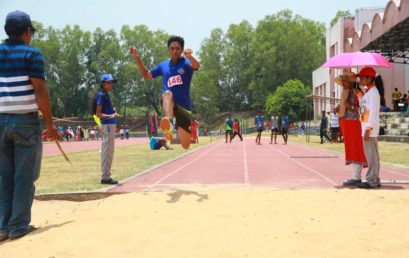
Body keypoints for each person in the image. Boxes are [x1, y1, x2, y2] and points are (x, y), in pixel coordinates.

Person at [0, 10, 57, 241]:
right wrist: (50, 124)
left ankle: (3, 227)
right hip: (25, 120)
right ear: (26, 32)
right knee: (25, 176)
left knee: (4, 176)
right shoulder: (32, 54)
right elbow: (40, 90)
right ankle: (18, 226)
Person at [130, 36, 200, 149]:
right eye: (172, 48)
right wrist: (137, 58)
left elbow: (197, 66)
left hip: (184, 106)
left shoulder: (186, 63)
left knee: (186, 145)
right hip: (169, 102)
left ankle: (164, 139)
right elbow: (146, 75)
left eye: (177, 48)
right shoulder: (163, 65)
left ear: (182, 50)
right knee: (167, 93)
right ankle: (170, 123)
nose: (175, 51)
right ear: (168, 50)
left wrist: (190, 57)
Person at [334, 72, 368, 187]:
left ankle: (357, 177)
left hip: (354, 123)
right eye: (342, 80)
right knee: (350, 148)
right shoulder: (345, 92)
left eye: (345, 80)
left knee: (356, 147)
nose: (343, 83)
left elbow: (362, 109)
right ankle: (355, 176)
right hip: (346, 122)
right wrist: (340, 109)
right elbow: (345, 106)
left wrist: (351, 106)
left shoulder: (357, 92)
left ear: (351, 82)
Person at [356, 67, 383, 189]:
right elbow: (365, 109)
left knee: (371, 156)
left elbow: (372, 113)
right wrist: (360, 95)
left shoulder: (373, 93)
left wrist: (368, 130)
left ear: (369, 79)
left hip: (369, 129)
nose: (360, 80)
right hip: (368, 127)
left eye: (362, 78)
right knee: (373, 155)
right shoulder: (370, 92)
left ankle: (371, 180)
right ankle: (375, 178)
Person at [92, 73, 120, 185]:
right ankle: (105, 176)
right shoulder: (101, 95)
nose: (111, 84)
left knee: (110, 151)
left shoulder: (107, 95)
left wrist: (113, 112)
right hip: (107, 125)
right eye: (108, 82)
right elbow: (98, 114)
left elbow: (107, 111)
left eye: (111, 82)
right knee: (106, 151)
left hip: (111, 125)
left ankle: (107, 175)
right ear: (103, 84)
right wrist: (111, 116)